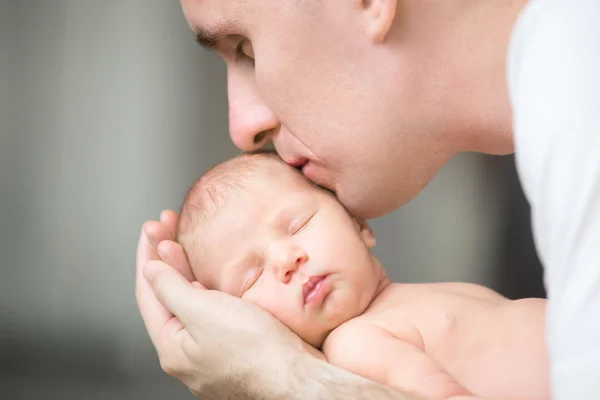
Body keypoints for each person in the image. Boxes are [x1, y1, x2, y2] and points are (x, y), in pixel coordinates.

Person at [135, 0, 600, 399]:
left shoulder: (580, 104)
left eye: (247, 50)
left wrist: (282, 379)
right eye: (252, 276)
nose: (243, 126)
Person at [174, 150, 549, 400]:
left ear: (358, 225)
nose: (287, 260)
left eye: (298, 225)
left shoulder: (405, 302)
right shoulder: (355, 344)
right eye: (251, 277)